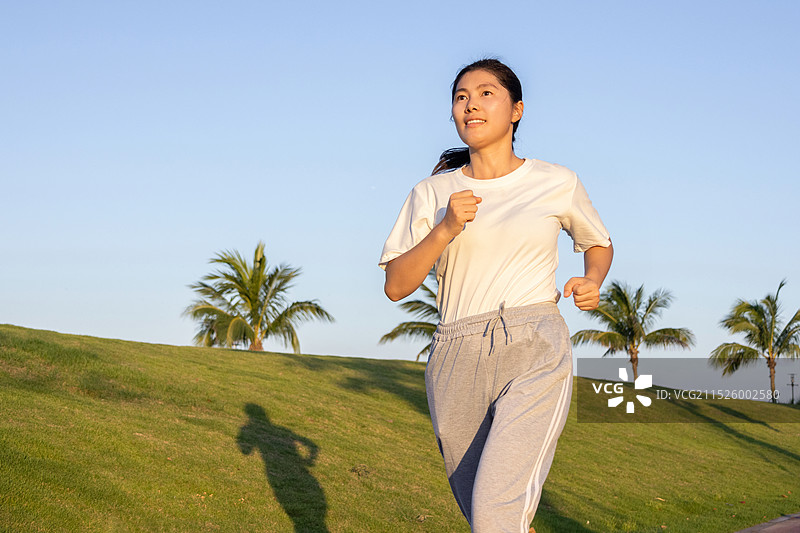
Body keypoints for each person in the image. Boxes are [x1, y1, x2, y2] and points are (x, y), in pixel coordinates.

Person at [378, 58, 613, 533]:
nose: (471, 104)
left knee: (495, 514)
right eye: (461, 96)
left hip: (532, 344)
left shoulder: (555, 181)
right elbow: (397, 286)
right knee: (488, 515)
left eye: (486, 93)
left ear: (516, 110)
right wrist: (445, 227)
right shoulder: (431, 192)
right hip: (454, 355)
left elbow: (598, 242)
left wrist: (592, 279)